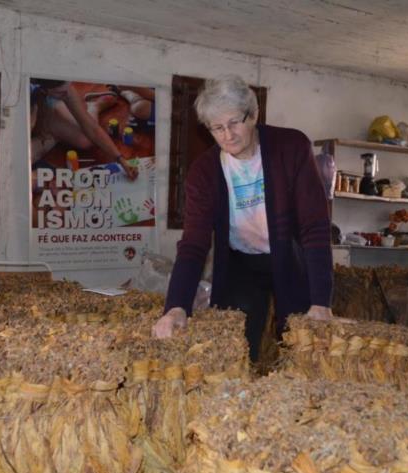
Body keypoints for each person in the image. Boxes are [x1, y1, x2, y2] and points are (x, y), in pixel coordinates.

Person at [151, 75, 333, 362]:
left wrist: (320, 300)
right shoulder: (204, 172)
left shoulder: (292, 147)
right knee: (236, 346)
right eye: (217, 128)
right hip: (241, 263)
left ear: (254, 114)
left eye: (235, 122)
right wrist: (176, 306)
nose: (228, 135)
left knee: (300, 342)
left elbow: (315, 227)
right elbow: (194, 244)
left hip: (288, 257)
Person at [30, 79, 137, 180]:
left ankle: (94, 106)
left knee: (85, 140)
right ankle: (52, 137)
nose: (67, 92)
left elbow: (92, 129)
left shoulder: (63, 90)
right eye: (61, 92)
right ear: (43, 89)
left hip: (49, 108)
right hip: (34, 115)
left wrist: (120, 159)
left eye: (69, 85)